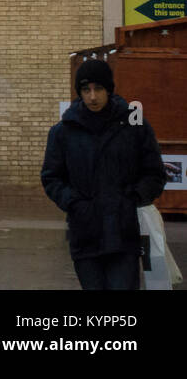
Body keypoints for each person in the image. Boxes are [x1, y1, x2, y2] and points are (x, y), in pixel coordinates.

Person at [42, 57, 166, 290]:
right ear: (79, 92)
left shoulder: (134, 126)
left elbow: (154, 172)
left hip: (124, 234)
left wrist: (132, 199)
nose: (92, 96)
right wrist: (74, 202)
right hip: (85, 235)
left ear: (109, 89)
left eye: (98, 88)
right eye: (86, 90)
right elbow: (51, 177)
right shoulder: (63, 131)